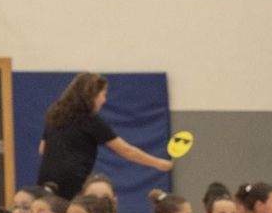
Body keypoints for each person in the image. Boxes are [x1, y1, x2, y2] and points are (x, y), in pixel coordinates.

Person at [36, 73, 172, 200]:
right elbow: (126, 150)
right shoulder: (90, 120)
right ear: (91, 95)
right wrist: (157, 163)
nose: (104, 100)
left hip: (45, 178)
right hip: (73, 181)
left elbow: (42, 149)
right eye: (103, 95)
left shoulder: (56, 113)